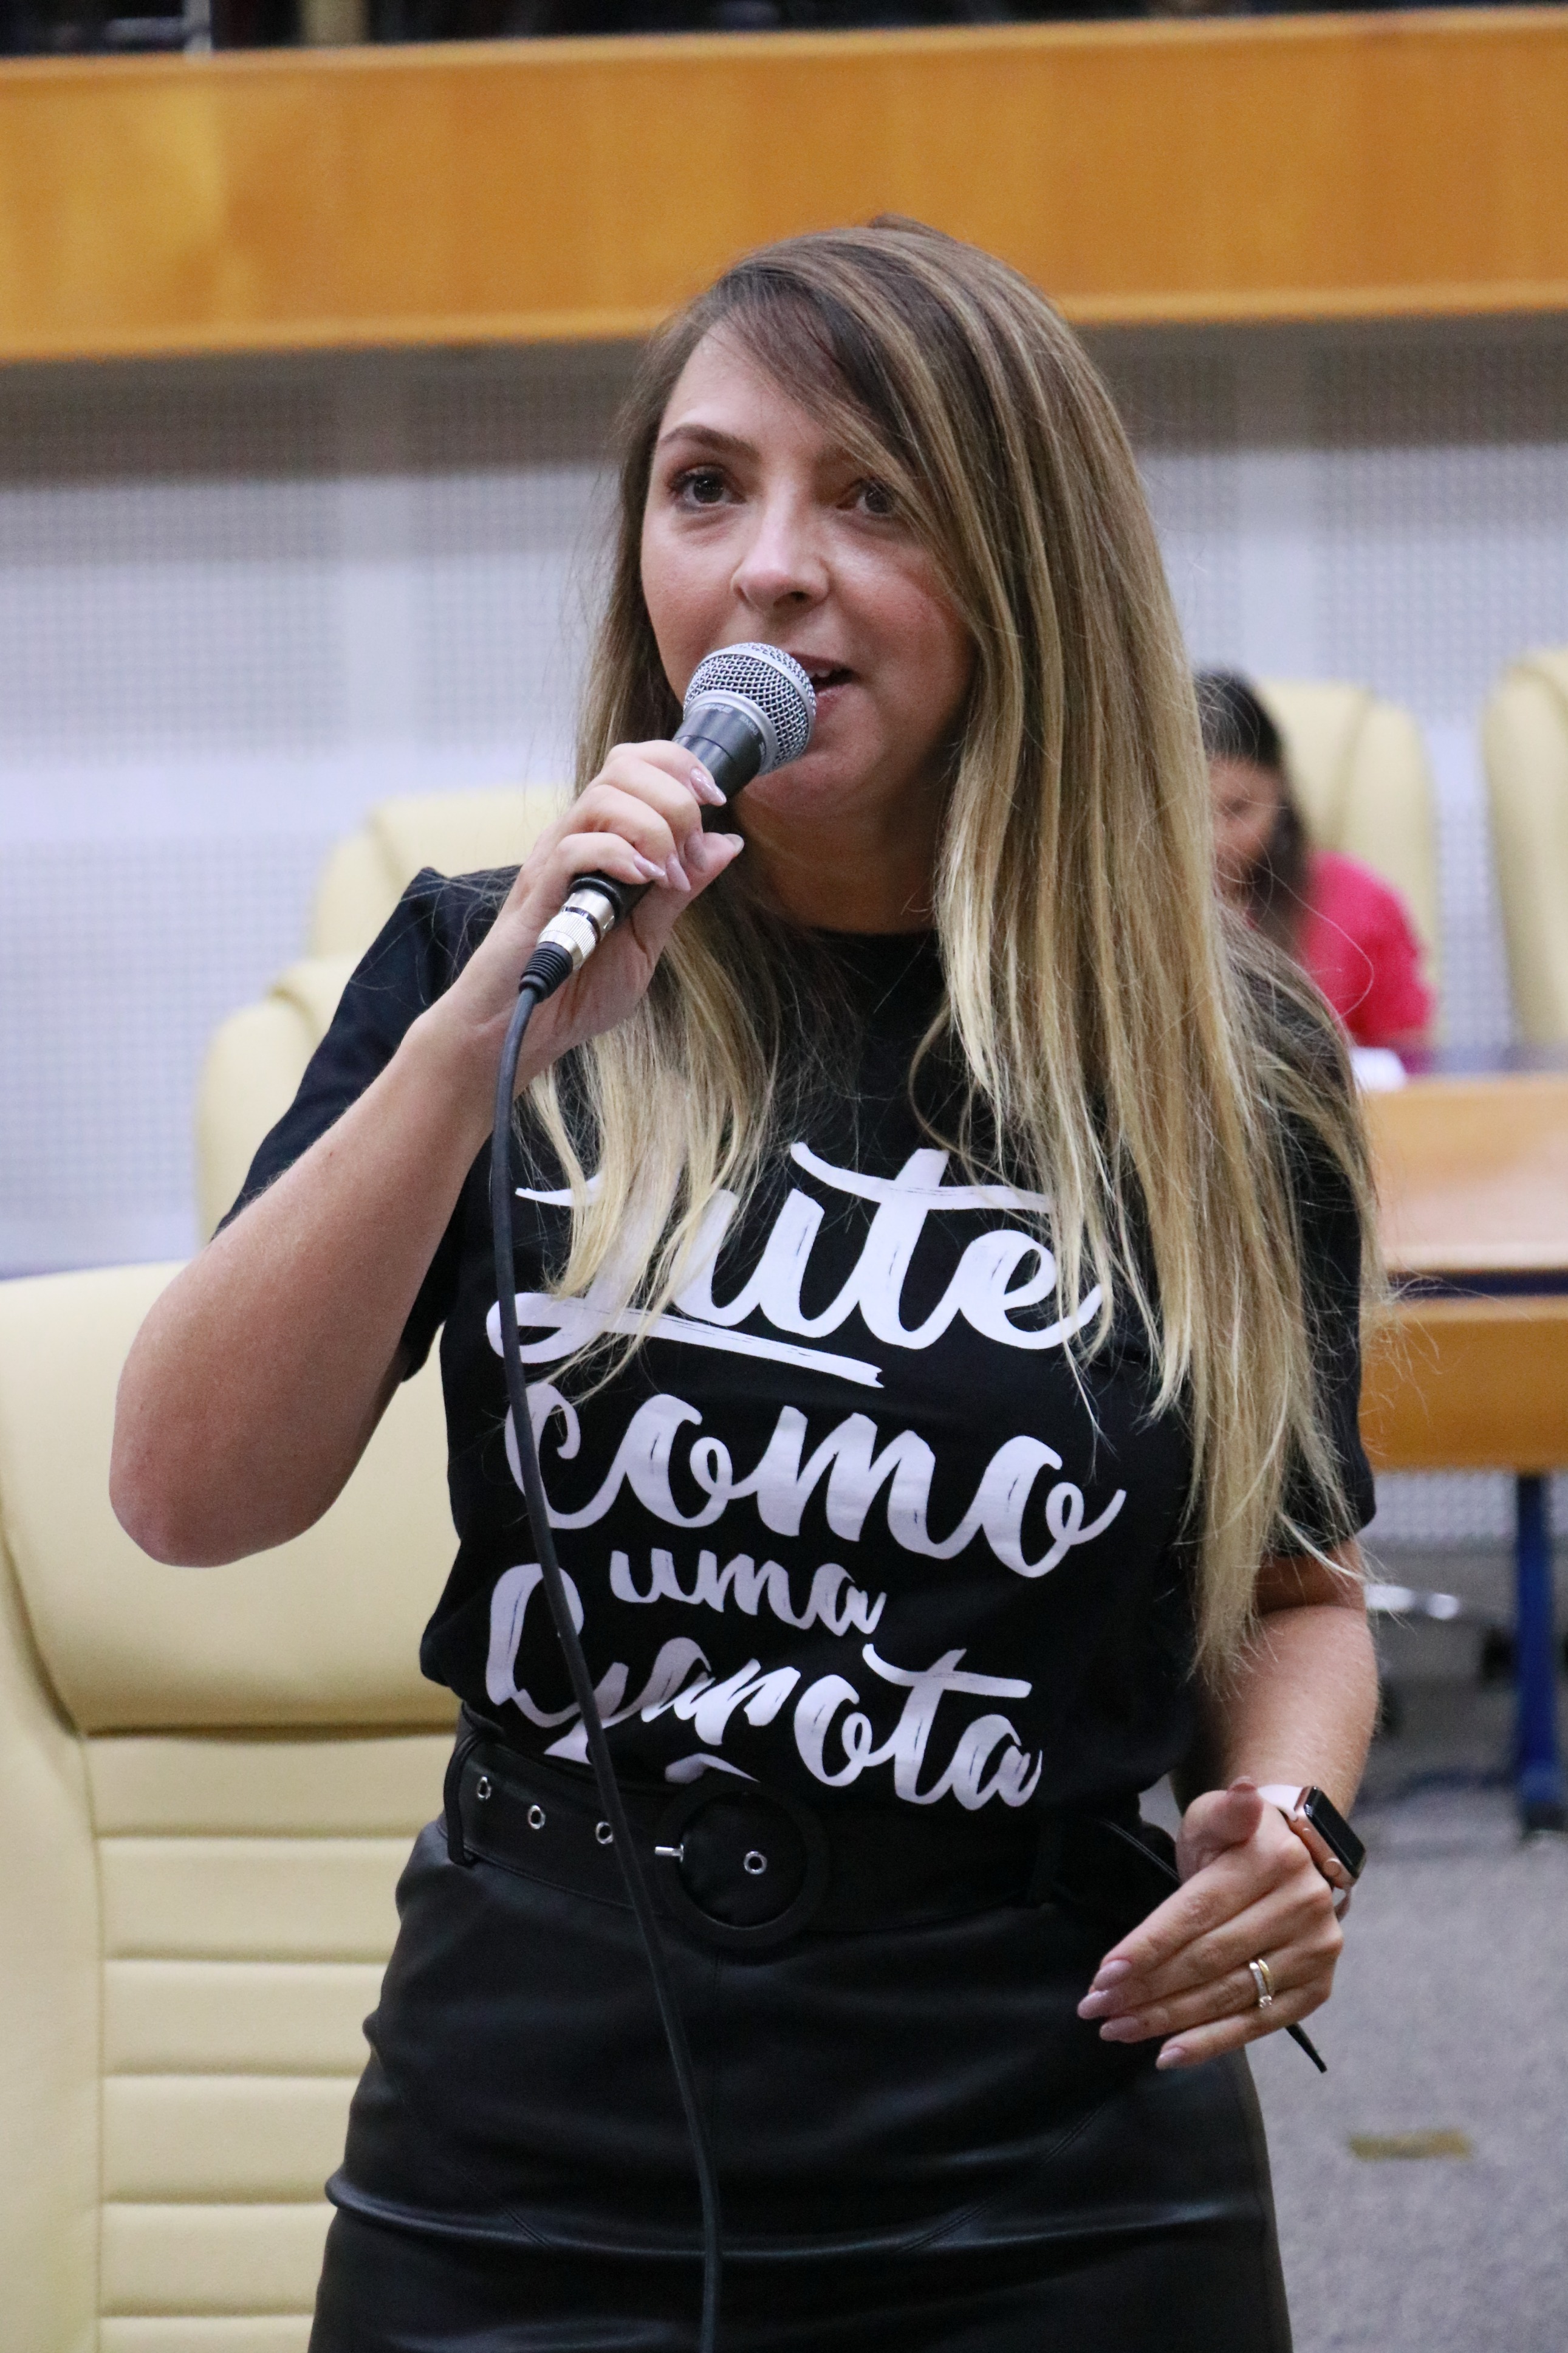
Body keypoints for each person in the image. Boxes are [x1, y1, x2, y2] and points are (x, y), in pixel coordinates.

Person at [111, 222, 1378, 2353]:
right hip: (528, 2136)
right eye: (707, 488)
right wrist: (482, 1040)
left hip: (1049, 2157)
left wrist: (1298, 1821)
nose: (769, 566)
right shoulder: (475, 973)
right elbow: (185, 1492)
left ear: (1024, 574)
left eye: (869, 495)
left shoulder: (1216, 1058)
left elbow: (1298, 1587)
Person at [1200, 670, 1434, 1056]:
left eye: (1239, 810)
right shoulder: (1117, 914)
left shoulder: (1359, 904)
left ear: (1281, 789)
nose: (1215, 839)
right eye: (1188, 813)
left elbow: (1408, 1074)